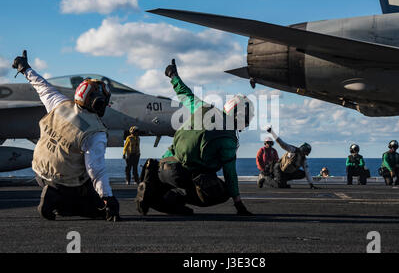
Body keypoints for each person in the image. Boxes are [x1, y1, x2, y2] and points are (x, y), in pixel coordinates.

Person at [136, 59, 253, 216]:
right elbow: (229, 173)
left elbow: (185, 94)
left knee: (181, 204)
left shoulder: (203, 107)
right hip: (184, 174)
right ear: (239, 116)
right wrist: (239, 204)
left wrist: (173, 76)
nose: (244, 125)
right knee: (221, 192)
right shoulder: (228, 137)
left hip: (164, 166)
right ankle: (176, 198)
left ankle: (153, 186)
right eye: (245, 120)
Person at [12, 50, 119, 221]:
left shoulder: (60, 104)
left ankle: (56, 197)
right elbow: (96, 170)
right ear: (98, 102)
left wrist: (25, 69)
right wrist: (108, 198)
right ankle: (56, 200)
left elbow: (41, 86)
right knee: (96, 209)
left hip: (39, 173)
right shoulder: (95, 133)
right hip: (62, 182)